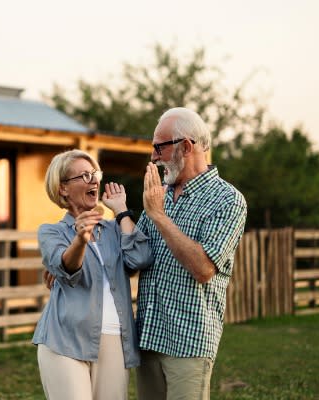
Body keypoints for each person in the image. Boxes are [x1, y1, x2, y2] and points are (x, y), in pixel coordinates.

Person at [135, 107, 247, 400]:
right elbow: (134, 254)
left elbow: (203, 269)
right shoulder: (159, 195)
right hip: (148, 337)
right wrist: (71, 258)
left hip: (189, 343)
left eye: (159, 147)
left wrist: (158, 217)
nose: (153, 157)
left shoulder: (228, 200)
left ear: (186, 146)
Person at [33, 149, 153, 400]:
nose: (94, 180)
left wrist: (121, 211)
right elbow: (67, 268)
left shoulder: (113, 229)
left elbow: (140, 258)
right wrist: (81, 239)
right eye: (84, 175)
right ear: (63, 188)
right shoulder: (51, 232)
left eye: (95, 174)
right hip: (64, 340)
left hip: (115, 340)